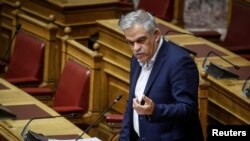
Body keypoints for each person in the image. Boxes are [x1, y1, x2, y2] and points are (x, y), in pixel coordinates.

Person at [118, 10, 203, 141]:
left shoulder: (179, 62)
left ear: (156, 35)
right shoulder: (136, 59)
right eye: (130, 42)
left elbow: (189, 109)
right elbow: (131, 105)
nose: (136, 48)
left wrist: (155, 110)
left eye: (141, 40)